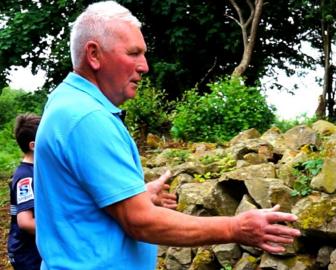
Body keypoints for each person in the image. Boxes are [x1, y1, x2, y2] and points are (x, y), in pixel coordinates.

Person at [34, 1, 300, 269]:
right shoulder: (87, 118)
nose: (144, 66)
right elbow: (140, 222)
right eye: (134, 53)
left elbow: (77, 203)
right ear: (94, 54)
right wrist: (235, 227)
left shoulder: (68, 104)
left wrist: (137, 194)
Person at [8, 113, 42, 270]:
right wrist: (60, 230)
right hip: (27, 254)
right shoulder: (25, 177)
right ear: (33, 145)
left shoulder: (37, 170)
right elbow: (25, 222)